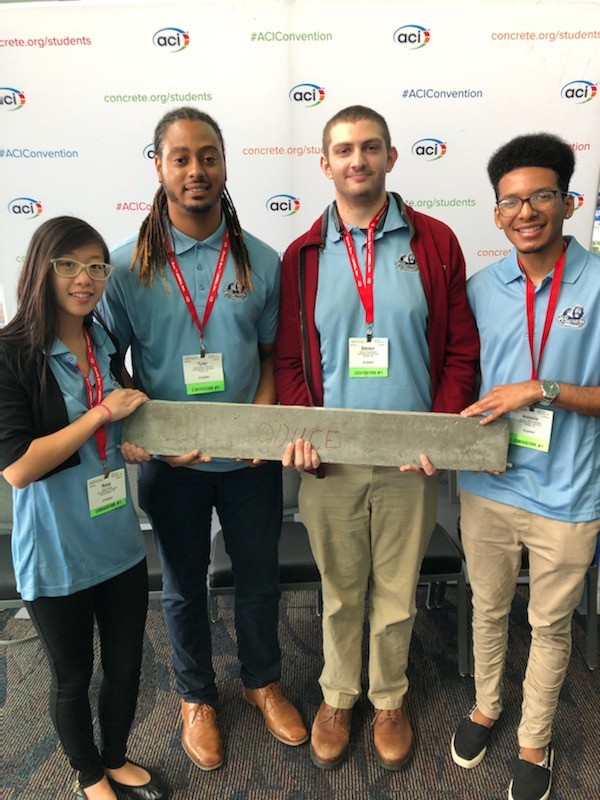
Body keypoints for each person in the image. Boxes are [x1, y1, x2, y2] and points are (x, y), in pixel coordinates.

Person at [100, 106, 307, 772]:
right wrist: (141, 435)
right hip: (173, 464)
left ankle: (262, 681)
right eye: (181, 157)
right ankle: (195, 697)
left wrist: (262, 428)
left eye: (208, 156)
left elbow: (273, 357)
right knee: (183, 587)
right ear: (158, 166)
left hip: (248, 461)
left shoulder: (261, 261)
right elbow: (105, 365)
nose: (196, 170)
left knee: (259, 580)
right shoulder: (124, 267)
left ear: (224, 164)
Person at [273, 105, 478, 770]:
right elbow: (288, 360)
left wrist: (438, 435)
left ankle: (389, 697)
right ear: (324, 163)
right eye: (343, 149)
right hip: (329, 463)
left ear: (391, 157)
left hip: (410, 461)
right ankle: (338, 696)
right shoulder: (302, 255)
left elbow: (460, 351)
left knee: (395, 592)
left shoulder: (435, 242)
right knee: (339, 592)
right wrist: (305, 434)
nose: (356, 160)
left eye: (369, 147)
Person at [452, 133, 600, 800]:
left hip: (568, 493)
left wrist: (543, 390)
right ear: (496, 214)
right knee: (486, 608)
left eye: (541, 196)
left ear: (569, 202)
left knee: (548, 625)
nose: (526, 212)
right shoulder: (480, 290)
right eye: (511, 201)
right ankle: (487, 705)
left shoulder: (597, 284)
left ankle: (534, 738)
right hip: (488, 485)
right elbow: (459, 384)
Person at [0, 217, 166, 800]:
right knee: (72, 676)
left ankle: (115, 756)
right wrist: (100, 416)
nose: (85, 278)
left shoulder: (103, 341)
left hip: (116, 539)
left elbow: (119, 425)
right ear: (40, 270)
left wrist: (132, 440)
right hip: (56, 549)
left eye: (96, 266)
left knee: (126, 665)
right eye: (68, 265)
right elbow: (19, 467)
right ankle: (88, 773)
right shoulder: (12, 354)